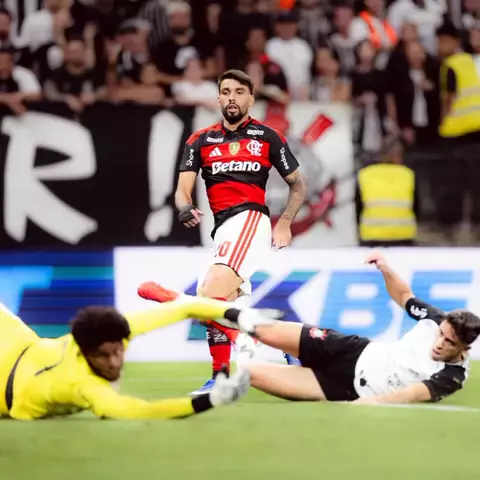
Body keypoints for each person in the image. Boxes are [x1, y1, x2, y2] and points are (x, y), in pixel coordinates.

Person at [142, 250, 480, 405]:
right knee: (262, 329)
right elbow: (405, 296)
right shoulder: (436, 319)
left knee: (246, 372)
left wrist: (369, 404)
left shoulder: (452, 376)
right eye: (441, 334)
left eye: (449, 342)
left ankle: (206, 317)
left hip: (343, 389)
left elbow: (412, 394)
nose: (439, 342)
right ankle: (181, 300)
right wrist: (385, 267)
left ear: (464, 348)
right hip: (349, 349)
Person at [173, 68, 306, 395]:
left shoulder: (268, 137)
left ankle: (247, 352)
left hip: (250, 220)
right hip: (222, 231)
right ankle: (277, 350)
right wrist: (184, 207)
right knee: (218, 307)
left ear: (251, 98)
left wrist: (284, 222)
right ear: (218, 98)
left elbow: (298, 185)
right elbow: (182, 190)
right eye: (226, 92)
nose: (232, 98)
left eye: (239, 92)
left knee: (209, 298)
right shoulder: (199, 140)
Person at [0, 291, 254, 420]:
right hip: (7, 382)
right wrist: (210, 400)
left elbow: (183, 308)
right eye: (103, 356)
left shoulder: (117, 330)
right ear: (85, 350)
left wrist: (237, 314)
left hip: (20, 342)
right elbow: (140, 410)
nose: (114, 362)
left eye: (118, 352)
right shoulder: (82, 385)